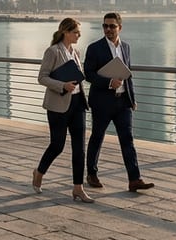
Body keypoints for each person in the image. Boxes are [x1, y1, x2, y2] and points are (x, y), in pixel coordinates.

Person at [84, 12, 154, 192]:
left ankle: (134, 179)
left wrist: (132, 99)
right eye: (105, 26)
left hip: (123, 103)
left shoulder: (126, 47)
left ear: (119, 28)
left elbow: (128, 75)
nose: (108, 29)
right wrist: (109, 82)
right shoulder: (94, 48)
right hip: (102, 102)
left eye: (112, 26)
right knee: (97, 137)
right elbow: (88, 74)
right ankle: (91, 174)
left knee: (127, 140)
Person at [33, 17, 94, 203]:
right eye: (76, 32)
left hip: (78, 104)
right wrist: (62, 85)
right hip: (58, 106)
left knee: (79, 148)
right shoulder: (53, 51)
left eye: (79, 32)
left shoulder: (76, 52)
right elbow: (42, 77)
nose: (79, 35)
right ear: (66, 32)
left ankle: (78, 188)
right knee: (57, 145)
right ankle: (39, 172)